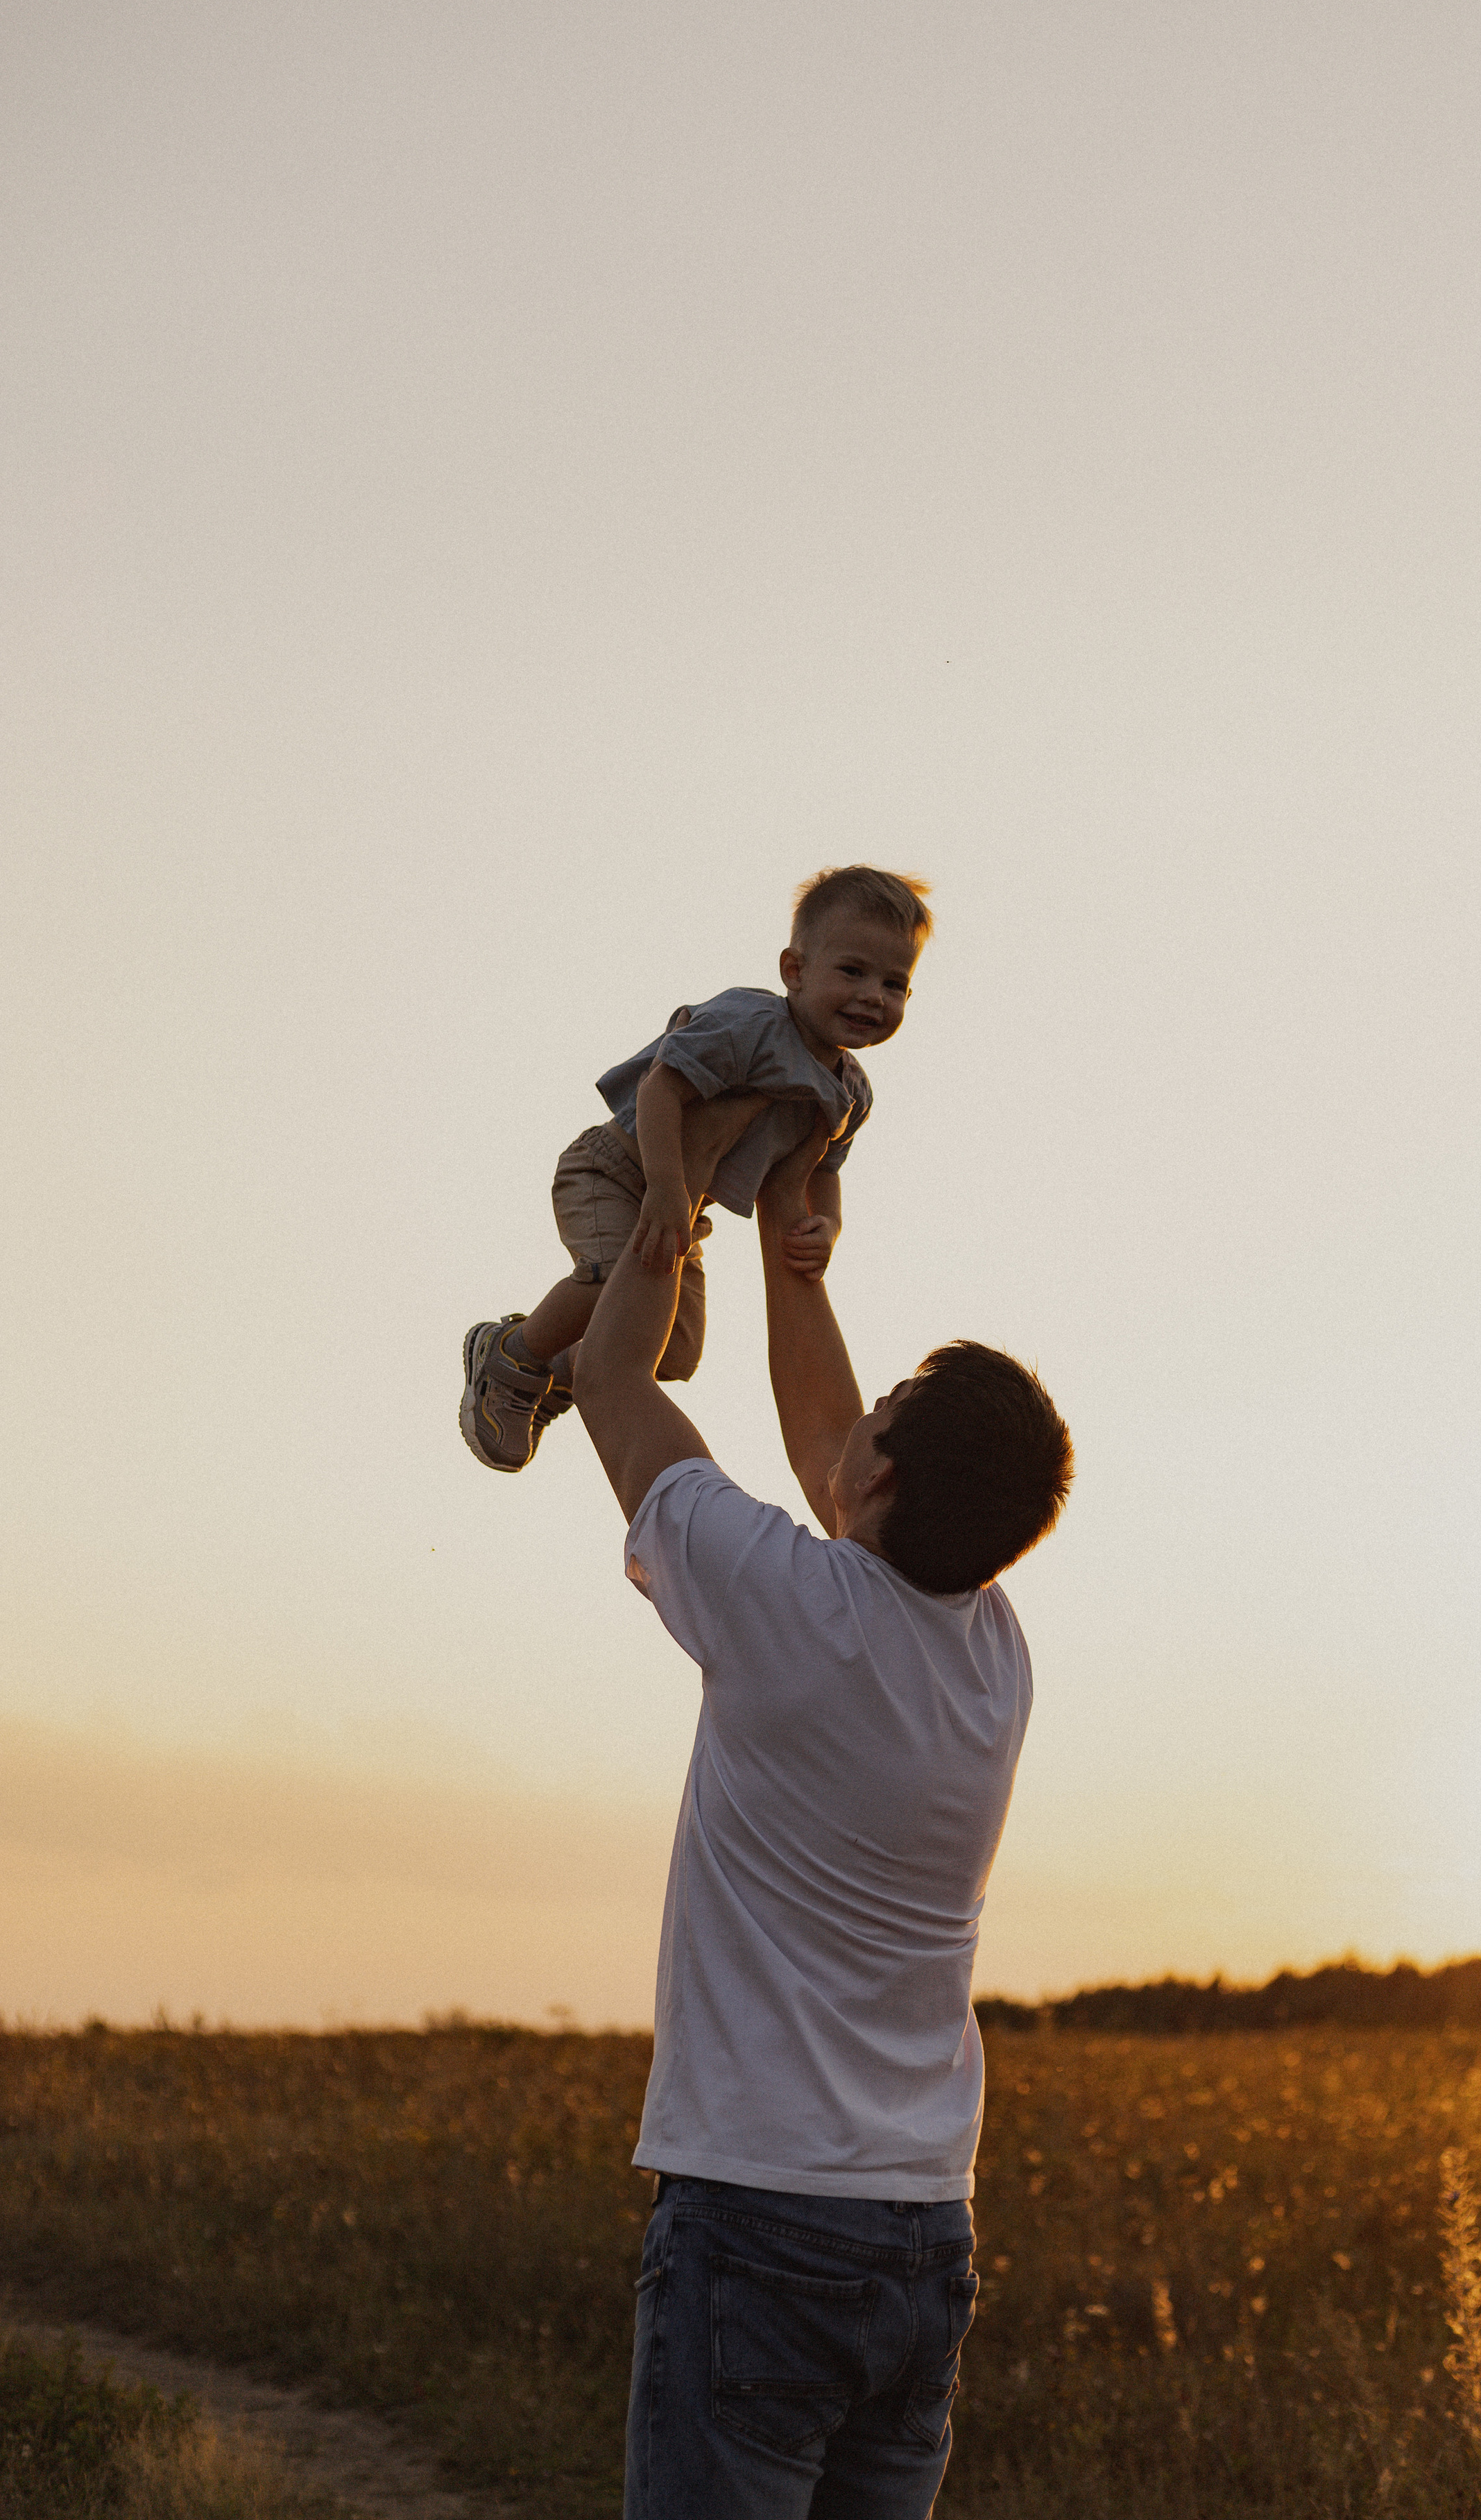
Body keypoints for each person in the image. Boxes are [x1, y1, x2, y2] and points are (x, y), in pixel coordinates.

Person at [573, 1126, 1073, 2519]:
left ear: (886, 1482)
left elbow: (611, 1378)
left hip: (756, 2226)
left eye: (887, 1410)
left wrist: (667, 1218)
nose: (856, 1426)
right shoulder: (993, 1655)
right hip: (920, 2235)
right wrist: (798, 1264)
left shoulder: (783, 1606)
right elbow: (829, 1454)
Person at [459, 866, 932, 1473]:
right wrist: (662, 1186)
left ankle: (559, 1370)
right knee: (611, 1280)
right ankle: (509, 1352)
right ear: (795, 971)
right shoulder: (753, 1025)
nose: (873, 995)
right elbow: (662, 1089)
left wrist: (829, 1226)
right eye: (852, 971)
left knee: (674, 1351)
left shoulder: (851, 1092)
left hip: (684, 1206)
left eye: (894, 983)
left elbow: (823, 1169)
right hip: (619, 1172)